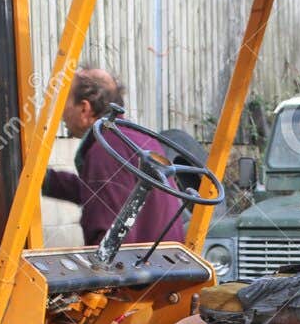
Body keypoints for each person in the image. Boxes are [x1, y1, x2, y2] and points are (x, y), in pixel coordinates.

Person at [42, 67, 189, 247]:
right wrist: (46, 180)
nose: (61, 114)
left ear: (84, 108)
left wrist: (96, 271)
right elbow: (103, 192)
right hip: (166, 263)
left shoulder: (105, 151)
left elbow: (109, 234)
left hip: (138, 269)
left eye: (65, 103)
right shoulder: (140, 139)